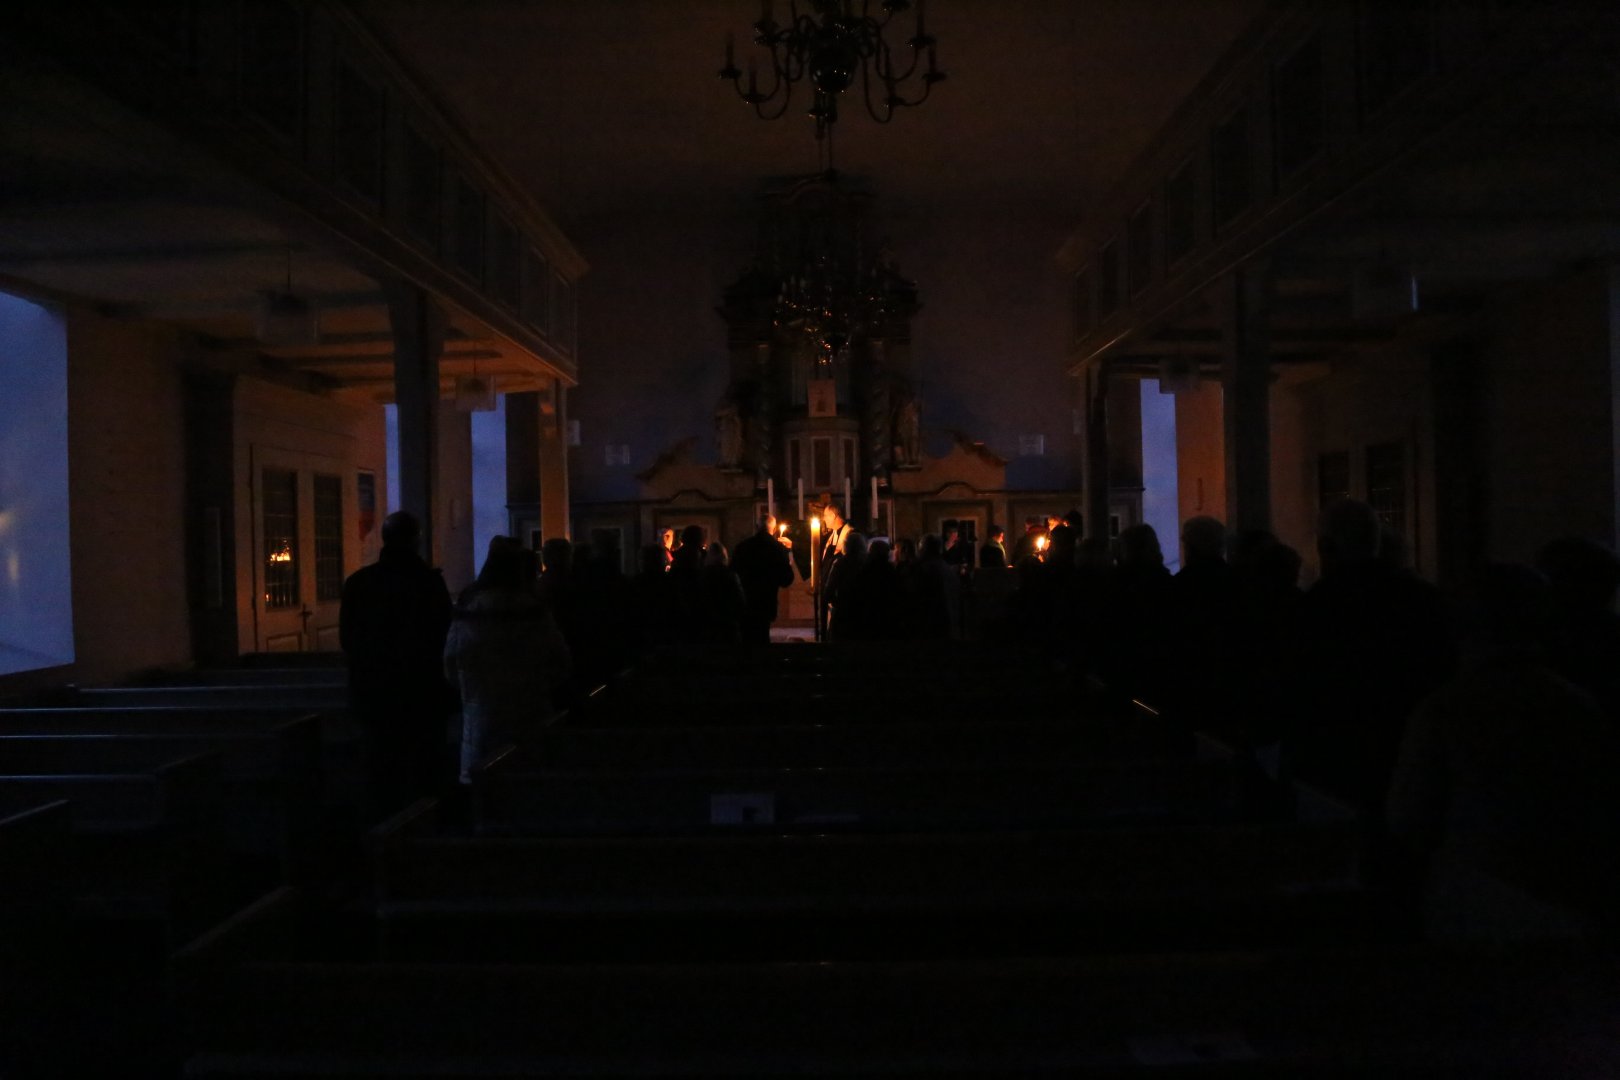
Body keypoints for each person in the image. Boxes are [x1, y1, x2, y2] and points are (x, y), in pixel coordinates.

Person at [338, 511, 452, 820]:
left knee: (379, 773)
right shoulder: (428, 584)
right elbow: (443, 637)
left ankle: (378, 840)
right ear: (416, 541)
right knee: (423, 772)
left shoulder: (359, 583)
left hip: (373, 693)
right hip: (421, 693)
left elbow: (348, 640)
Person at [443, 541, 571, 783]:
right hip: (529, 715)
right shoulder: (534, 613)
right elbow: (560, 662)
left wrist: (470, 691)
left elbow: (450, 665)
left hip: (481, 716)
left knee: (482, 789)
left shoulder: (467, 612)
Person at [731, 513, 797, 645]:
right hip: (766, 603)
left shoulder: (743, 547)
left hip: (745, 602)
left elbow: (732, 573)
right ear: (773, 528)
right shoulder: (777, 549)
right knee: (762, 641)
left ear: (756, 527)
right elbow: (787, 579)